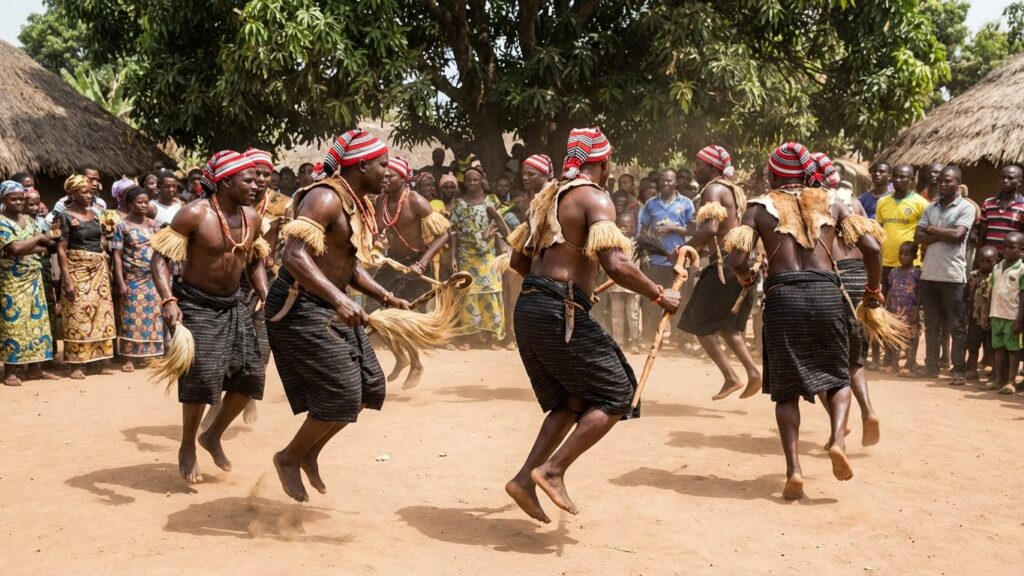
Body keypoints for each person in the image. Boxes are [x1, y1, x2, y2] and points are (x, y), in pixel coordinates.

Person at [504, 127, 680, 522]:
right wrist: (658, 293)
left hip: (530, 307)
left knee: (573, 400)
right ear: (602, 164)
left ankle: (523, 480)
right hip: (556, 310)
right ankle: (552, 469)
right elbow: (616, 265)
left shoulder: (545, 197)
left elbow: (518, 263)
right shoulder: (594, 197)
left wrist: (576, 288)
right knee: (618, 393)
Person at [727, 141, 884, 500]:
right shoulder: (832, 201)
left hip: (782, 298)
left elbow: (737, 259)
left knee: (785, 391)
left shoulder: (758, 208)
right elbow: (873, 249)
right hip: (827, 295)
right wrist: (873, 291)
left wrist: (747, 277)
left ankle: (794, 470)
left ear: (772, 175)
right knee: (838, 376)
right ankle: (837, 439)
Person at [265, 130, 412, 502]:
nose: (388, 171)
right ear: (362, 165)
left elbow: (347, 264)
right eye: (382, 164)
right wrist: (339, 299)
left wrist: (385, 295)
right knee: (342, 392)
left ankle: (309, 451)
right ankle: (288, 457)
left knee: (369, 387)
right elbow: (294, 256)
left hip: (329, 302)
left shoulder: (355, 203)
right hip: (300, 305)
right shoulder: (325, 197)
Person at [150, 150, 269, 483]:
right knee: (202, 378)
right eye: (248, 180)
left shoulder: (252, 218)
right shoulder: (194, 214)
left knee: (252, 377)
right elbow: (159, 261)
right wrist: (168, 299)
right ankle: (187, 444)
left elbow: (257, 259)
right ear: (226, 181)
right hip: (196, 303)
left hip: (233, 304)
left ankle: (212, 434)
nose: (255, 185)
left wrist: (264, 294)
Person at [679, 145, 760, 400]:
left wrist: (686, 248)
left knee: (697, 321)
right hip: (734, 261)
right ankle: (753, 373)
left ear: (713, 167)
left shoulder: (713, 189)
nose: (695, 169)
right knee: (726, 325)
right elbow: (726, 229)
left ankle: (731, 377)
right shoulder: (731, 190)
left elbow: (712, 228)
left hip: (725, 266)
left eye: (699, 164)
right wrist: (703, 251)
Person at [819, 153, 881, 448]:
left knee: (818, 360)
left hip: (832, 281)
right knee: (853, 358)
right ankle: (868, 411)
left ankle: (837, 429)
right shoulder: (853, 203)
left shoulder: (816, 205)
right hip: (859, 279)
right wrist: (873, 288)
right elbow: (872, 247)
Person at [915, 165, 975, 385]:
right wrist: (941, 233)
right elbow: (918, 236)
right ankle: (931, 366)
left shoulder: (966, 208)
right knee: (932, 324)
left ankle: (958, 370)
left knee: (956, 326)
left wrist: (931, 230)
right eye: (941, 180)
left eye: (948, 181)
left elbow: (958, 235)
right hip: (929, 275)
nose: (942, 184)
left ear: (958, 184)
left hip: (952, 276)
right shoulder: (931, 207)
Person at [55, 175, 118, 379]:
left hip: (98, 269)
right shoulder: (62, 216)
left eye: (91, 192)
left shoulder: (97, 214)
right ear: (72, 193)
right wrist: (68, 280)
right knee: (78, 313)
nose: (89, 195)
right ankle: (76, 364)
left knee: (101, 312)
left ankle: (99, 360)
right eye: (84, 192)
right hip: (76, 268)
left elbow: (103, 239)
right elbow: (61, 250)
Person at [0, 181, 58, 386]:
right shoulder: (1, 222)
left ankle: (35, 368)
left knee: (37, 323)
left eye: (20, 198)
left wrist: (42, 240)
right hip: (11, 280)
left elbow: (46, 246)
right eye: (12, 198)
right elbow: (13, 248)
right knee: (13, 323)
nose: (17, 202)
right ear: (3, 200)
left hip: (34, 277)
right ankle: (10, 370)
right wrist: (40, 239)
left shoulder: (28, 220)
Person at [871, 163, 927, 369]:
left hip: (911, 269)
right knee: (883, 310)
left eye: (904, 177)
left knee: (910, 314)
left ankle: (909, 358)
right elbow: (878, 232)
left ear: (912, 179)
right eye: (896, 176)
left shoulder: (921, 203)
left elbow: (923, 233)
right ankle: (886, 356)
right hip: (885, 265)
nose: (899, 180)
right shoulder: (882, 202)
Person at [450, 165, 509, 349]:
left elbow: (500, 224)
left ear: (482, 180)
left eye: (476, 179)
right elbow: (453, 233)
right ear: (465, 183)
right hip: (466, 256)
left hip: (488, 256)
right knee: (467, 294)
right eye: (469, 180)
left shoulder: (491, 200)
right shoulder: (459, 204)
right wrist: (452, 257)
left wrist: (492, 230)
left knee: (490, 292)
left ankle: (492, 337)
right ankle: (469, 337)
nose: (472, 183)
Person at [111, 186, 164, 372]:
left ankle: (151, 354)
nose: (143, 205)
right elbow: (116, 255)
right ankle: (129, 358)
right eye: (139, 202)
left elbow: (160, 251)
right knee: (131, 316)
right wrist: (120, 281)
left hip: (153, 278)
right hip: (133, 277)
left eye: (146, 202)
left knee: (153, 317)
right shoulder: (122, 225)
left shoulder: (153, 225)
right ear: (129, 203)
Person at [638, 169, 695, 342]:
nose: (665, 184)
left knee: (679, 300)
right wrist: (646, 251)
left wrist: (673, 227)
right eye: (663, 180)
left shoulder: (686, 203)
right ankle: (654, 339)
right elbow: (643, 230)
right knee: (654, 301)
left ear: (676, 182)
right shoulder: (650, 204)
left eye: (669, 181)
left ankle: (680, 340)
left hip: (678, 261)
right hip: (656, 261)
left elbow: (693, 230)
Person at [982, 232, 1024, 394]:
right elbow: (992, 293)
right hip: (996, 315)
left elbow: (1022, 297)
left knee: (1013, 350)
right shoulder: (997, 267)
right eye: (1004, 246)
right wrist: (987, 314)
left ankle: (1010, 382)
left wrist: (1020, 320)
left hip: (1012, 316)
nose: (1006, 250)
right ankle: (998, 379)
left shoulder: (1021, 270)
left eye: (1012, 247)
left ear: (1021, 250)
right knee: (998, 348)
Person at [23, 188, 59, 348]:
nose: (35, 208)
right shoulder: (16, 222)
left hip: (43, 265)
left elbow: (51, 244)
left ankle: (50, 350)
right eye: (31, 204)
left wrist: (50, 238)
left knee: (47, 305)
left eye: (37, 204)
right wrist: (43, 241)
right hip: (24, 267)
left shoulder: (43, 221)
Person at [605, 211, 642, 353]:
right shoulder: (611, 243)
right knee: (616, 315)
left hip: (632, 286)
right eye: (621, 226)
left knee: (633, 315)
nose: (624, 229)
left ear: (633, 226)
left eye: (628, 225)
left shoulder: (638, 244)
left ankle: (634, 342)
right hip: (615, 285)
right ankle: (618, 343)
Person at [884, 242, 923, 375]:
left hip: (910, 311)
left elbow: (919, 294)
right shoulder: (894, 271)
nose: (903, 257)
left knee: (911, 338)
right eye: (901, 253)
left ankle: (909, 364)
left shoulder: (917, 273)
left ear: (914, 256)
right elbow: (890, 290)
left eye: (907, 254)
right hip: (895, 310)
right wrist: (886, 306)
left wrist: (917, 311)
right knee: (895, 337)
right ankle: (894, 364)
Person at [966, 246, 997, 383]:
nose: (985, 264)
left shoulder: (997, 276)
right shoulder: (973, 275)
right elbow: (969, 297)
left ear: (996, 261)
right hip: (976, 319)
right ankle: (972, 370)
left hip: (992, 320)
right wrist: (967, 315)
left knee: (992, 348)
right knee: (973, 347)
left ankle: (995, 372)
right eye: (982, 260)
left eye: (989, 261)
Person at [977, 165, 1024, 251]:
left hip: (1011, 259)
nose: (1005, 181)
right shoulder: (988, 203)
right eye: (1003, 177)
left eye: (1010, 178)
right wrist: (981, 253)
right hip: (989, 258)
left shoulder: (1022, 206)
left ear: (1019, 182)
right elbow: (982, 233)